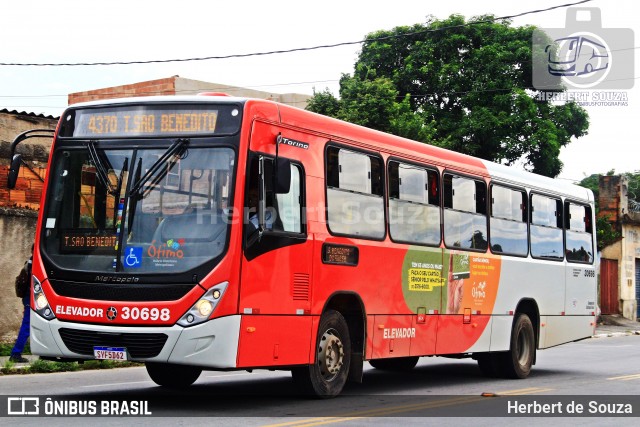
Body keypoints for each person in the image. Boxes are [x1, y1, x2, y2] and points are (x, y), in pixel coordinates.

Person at [11, 248, 33, 363]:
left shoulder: (29, 262)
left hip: (28, 299)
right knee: (26, 326)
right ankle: (15, 353)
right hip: (31, 299)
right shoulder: (34, 264)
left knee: (29, 326)